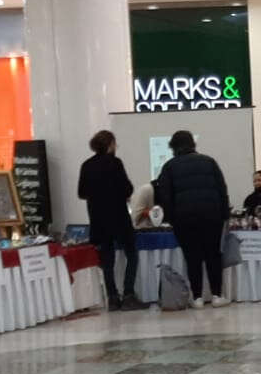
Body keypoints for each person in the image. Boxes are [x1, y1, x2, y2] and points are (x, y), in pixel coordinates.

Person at [154, 130, 230, 307]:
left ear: (173, 147)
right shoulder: (209, 162)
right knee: (213, 255)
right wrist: (224, 215)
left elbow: (165, 196)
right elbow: (222, 190)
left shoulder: (169, 167)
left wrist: (172, 218)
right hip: (212, 217)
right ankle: (216, 295)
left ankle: (197, 298)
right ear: (192, 144)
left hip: (184, 219)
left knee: (192, 257)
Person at [76, 130, 144, 311]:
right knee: (132, 254)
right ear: (110, 144)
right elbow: (127, 188)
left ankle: (112, 298)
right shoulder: (115, 163)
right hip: (118, 217)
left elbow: (81, 192)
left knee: (107, 260)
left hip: (98, 219)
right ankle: (128, 294)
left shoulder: (86, 165)